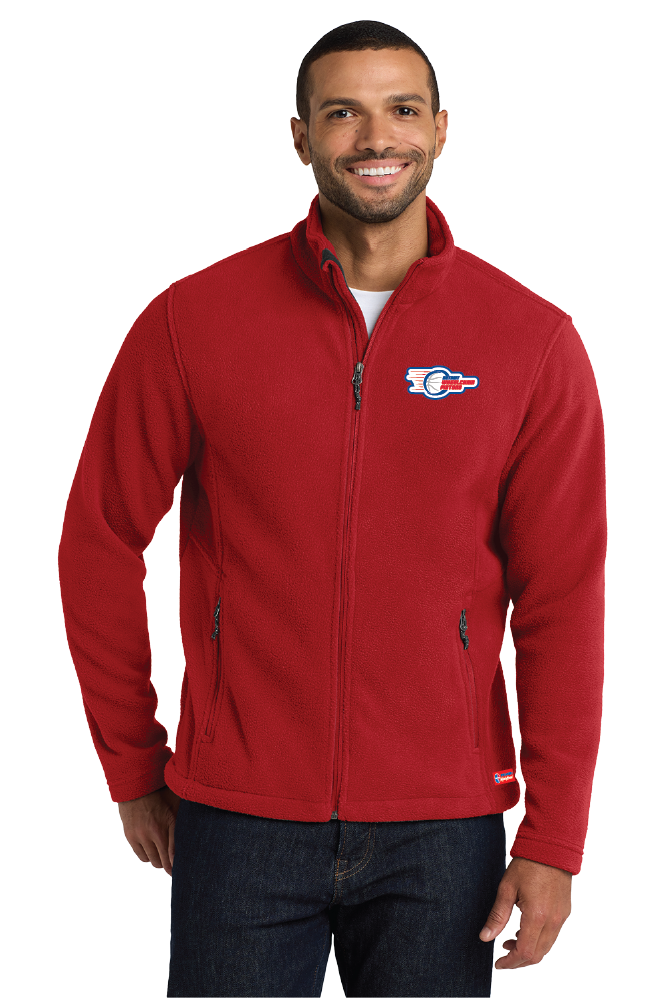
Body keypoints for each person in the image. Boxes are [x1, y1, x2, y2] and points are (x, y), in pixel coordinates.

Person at [58, 19, 606, 998]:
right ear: (300, 135)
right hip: (240, 815)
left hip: (443, 827)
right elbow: (97, 541)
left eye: (403, 110)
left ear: (442, 129)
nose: (376, 137)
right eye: (343, 112)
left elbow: (562, 597)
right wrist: (133, 765)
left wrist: (554, 835)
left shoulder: (530, 341)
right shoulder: (193, 321)